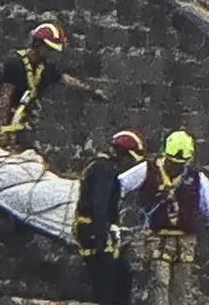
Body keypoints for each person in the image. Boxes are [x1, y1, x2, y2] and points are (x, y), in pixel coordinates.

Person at [119, 130, 209, 305]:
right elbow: (120, 185)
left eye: (180, 164)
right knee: (159, 282)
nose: (176, 167)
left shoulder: (196, 178)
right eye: (173, 162)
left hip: (185, 242)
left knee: (182, 288)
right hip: (157, 238)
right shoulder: (148, 170)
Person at [0, 21, 107, 154]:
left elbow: (66, 80)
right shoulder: (14, 64)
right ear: (37, 44)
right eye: (49, 49)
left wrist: (91, 91)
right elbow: (4, 98)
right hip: (4, 121)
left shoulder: (43, 67)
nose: (50, 53)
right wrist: (3, 128)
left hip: (22, 121)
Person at [75, 129, 146, 305]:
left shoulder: (102, 167)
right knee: (106, 285)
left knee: (120, 276)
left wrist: (114, 226)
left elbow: (108, 206)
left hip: (97, 231)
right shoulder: (103, 170)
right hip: (95, 233)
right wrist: (102, 238)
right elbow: (99, 205)